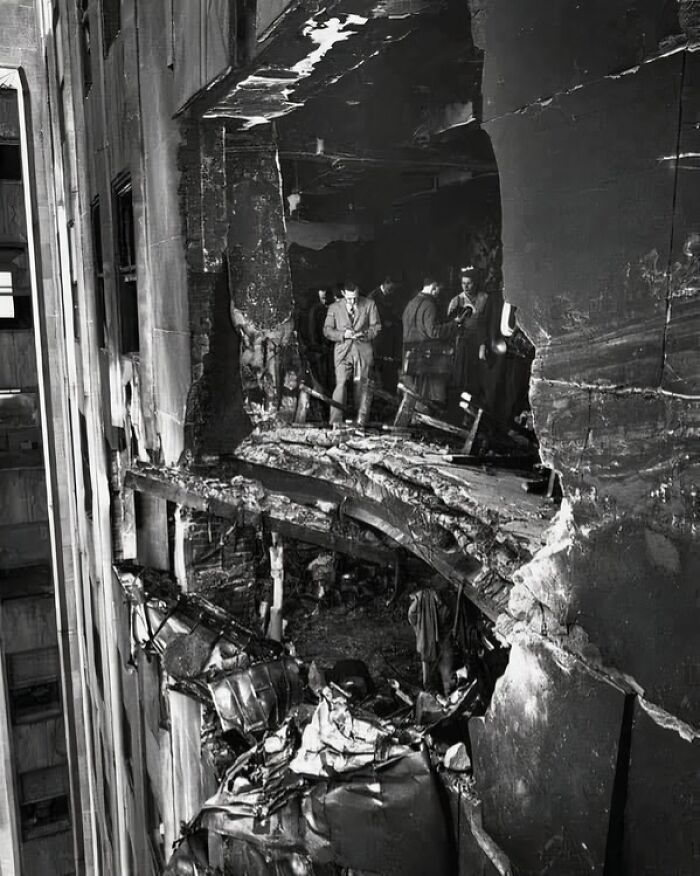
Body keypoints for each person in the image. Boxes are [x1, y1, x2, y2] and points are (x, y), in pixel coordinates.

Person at [323, 282, 381, 424]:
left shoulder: (369, 304)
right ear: (343, 294)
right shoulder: (334, 308)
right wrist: (344, 334)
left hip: (363, 350)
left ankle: (360, 422)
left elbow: (377, 326)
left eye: (355, 298)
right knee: (340, 384)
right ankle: (335, 421)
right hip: (343, 351)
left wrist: (365, 334)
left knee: (361, 386)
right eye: (349, 298)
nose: (353, 301)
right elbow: (327, 330)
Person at [401, 277, 459, 409]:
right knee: (427, 396)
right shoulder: (429, 304)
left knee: (413, 394)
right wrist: (454, 324)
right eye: (439, 289)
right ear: (434, 286)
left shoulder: (411, 302)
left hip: (410, 354)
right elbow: (433, 332)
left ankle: (414, 419)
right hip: (426, 357)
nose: (439, 292)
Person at [368, 277, 402, 392]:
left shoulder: (393, 295)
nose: (392, 291)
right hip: (378, 339)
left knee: (389, 369)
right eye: (391, 288)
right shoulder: (373, 298)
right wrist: (383, 324)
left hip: (390, 339)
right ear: (386, 283)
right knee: (379, 368)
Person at [306, 288, 333, 395]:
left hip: (330, 345)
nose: (325, 299)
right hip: (319, 347)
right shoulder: (315, 310)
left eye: (326, 297)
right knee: (321, 372)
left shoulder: (331, 308)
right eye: (322, 297)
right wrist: (317, 346)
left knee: (330, 371)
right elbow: (312, 330)